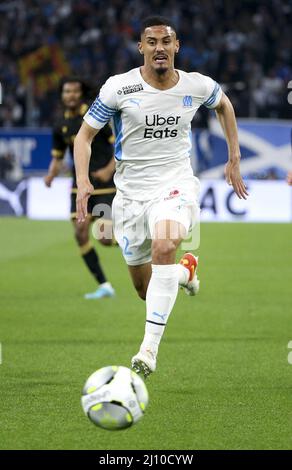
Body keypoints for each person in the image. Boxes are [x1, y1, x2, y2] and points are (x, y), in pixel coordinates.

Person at [74, 16, 248, 376]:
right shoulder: (118, 90)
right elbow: (83, 137)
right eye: (151, 42)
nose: (159, 48)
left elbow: (224, 106)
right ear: (141, 48)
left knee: (164, 246)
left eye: (166, 42)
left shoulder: (196, 86)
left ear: (176, 47)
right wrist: (83, 181)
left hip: (176, 185)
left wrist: (234, 155)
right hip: (131, 196)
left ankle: (147, 352)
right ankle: (185, 273)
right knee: (145, 289)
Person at [44, 77, 116, 299]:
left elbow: (121, 147)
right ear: (62, 95)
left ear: (81, 93)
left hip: (103, 186)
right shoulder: (60, 125)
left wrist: (108, 170)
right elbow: (58, 157)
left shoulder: (97, 116)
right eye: (67, 92)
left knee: (104, 238)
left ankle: (138, 242)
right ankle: (104, 285)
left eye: (75, 91)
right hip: (79, 187)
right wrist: (50, 175)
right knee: (80, 233)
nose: (71, 96)